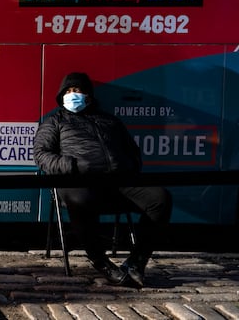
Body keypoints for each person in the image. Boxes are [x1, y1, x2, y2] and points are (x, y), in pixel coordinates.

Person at [33, 72, 172, 287]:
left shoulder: (109, 120)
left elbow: (133, 151)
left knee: (160, 198)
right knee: (79, 200)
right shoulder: (55, 121)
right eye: (68, 91)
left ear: (88, 95)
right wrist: (74, 166)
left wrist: (129, 167)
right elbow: (41, 155)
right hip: (79, 181)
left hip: (119, 182)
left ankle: (137, 261)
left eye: (77, 90)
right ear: (61, 96)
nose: (73, 95)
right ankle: (100, 261)